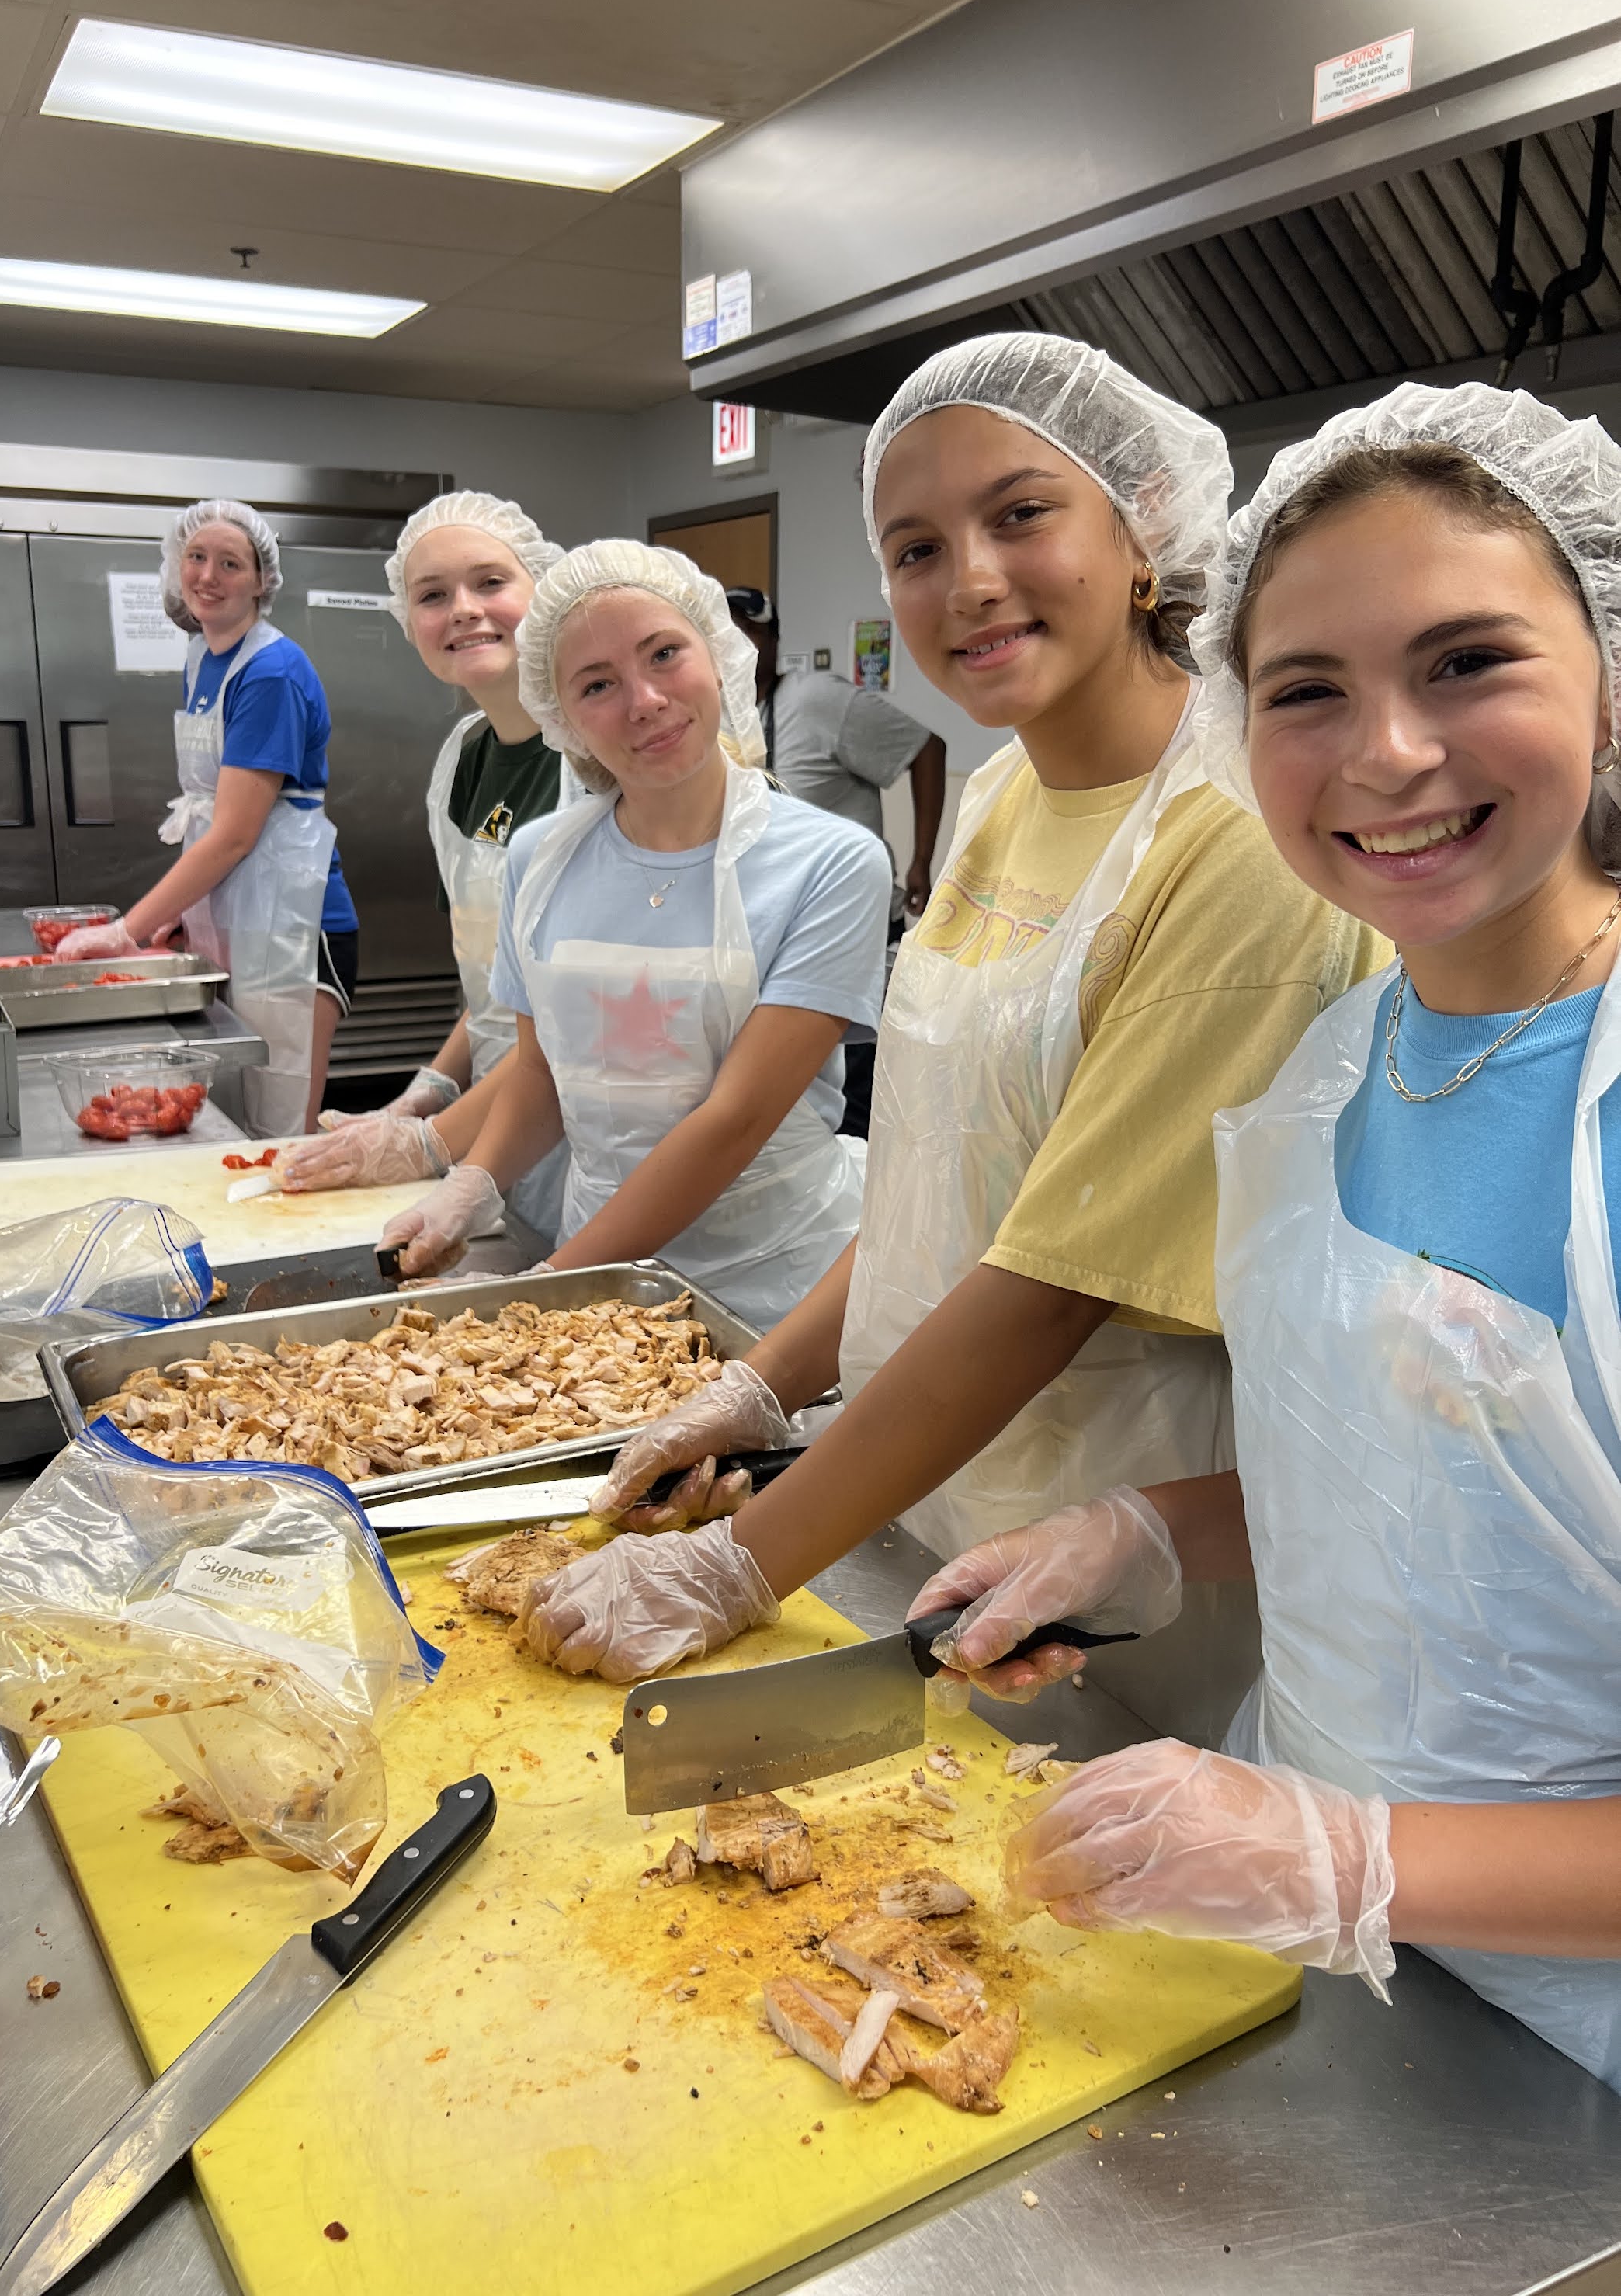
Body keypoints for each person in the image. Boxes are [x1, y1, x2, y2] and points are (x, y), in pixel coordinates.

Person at [926, 382, 1621, 2092]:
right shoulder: (1340, 1063)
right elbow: (1450, 1484)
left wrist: (1355, 1860)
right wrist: (1147, 1537)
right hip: (1330, 1988)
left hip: (1574, 2073)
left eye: (1467, 662)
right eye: (1306, 691)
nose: (1385, 753)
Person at [519, 332, 1386, 1686]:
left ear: (1140, 524)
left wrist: (742, 1559)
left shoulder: (1234, 841)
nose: (967, 580)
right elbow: (943, 1181)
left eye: (1020, 512)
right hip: (933, 1496)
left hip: (1120, 1561)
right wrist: (763, 1384)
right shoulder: (997, 796)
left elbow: (1049, 1286)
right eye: (914, 548)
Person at [370, 538, 892, 1328]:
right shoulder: (540, 858)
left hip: (779, 1285)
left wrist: (544, 1288)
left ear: (718, 656)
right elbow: (540, 1074)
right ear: (564, 718)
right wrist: (471, 1184)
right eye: (597, 684)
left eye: (665, 653)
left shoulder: (832, 862)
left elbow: (734, 1120)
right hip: (598, 1276)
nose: (643, 700)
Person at [280, 491, 573, 1240]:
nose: (465, 610)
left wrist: (429, 1142)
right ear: (407, 622)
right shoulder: (463, 759)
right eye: (433, 596)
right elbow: (496, 984)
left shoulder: (589, 764)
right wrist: (430, 1089)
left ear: (543, 587)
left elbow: (585, 1024)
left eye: (491, 583)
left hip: (594, 1126)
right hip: (502, 1134)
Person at [56, 499, 354, 1134]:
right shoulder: (203, 656)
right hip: (244, 914)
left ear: (262, 581)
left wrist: (130, 930)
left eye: (230, 563)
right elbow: (209, 814)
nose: (208, 576)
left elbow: (236, 834)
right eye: (196, 557)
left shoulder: (270, 670)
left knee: (279, 1125)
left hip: (296, 927)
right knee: (236, 1115)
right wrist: (187, 919)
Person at [725, 585, 947, 1134]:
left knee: (854, 1095)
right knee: (793, 1098)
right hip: (770, 935)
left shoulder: (814, 699)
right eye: (724, 634)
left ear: (774, 640)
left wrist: (920, 860)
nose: (738, 645)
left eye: (750, 631)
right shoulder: (720, 720)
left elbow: (927, 748)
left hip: (851, 928)